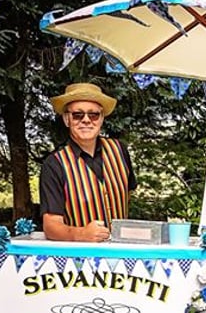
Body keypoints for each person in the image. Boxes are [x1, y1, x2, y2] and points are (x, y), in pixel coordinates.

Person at [40, 83, 137, 242]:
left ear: (101, 119)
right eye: (78, 115)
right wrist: (80, 234)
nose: (86, 120)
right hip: (79, 255)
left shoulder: (120, 150)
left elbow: (127, 195)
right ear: (66, 119)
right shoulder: (54, 164)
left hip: (120, 252)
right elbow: (51, 226)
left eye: (93, 115)